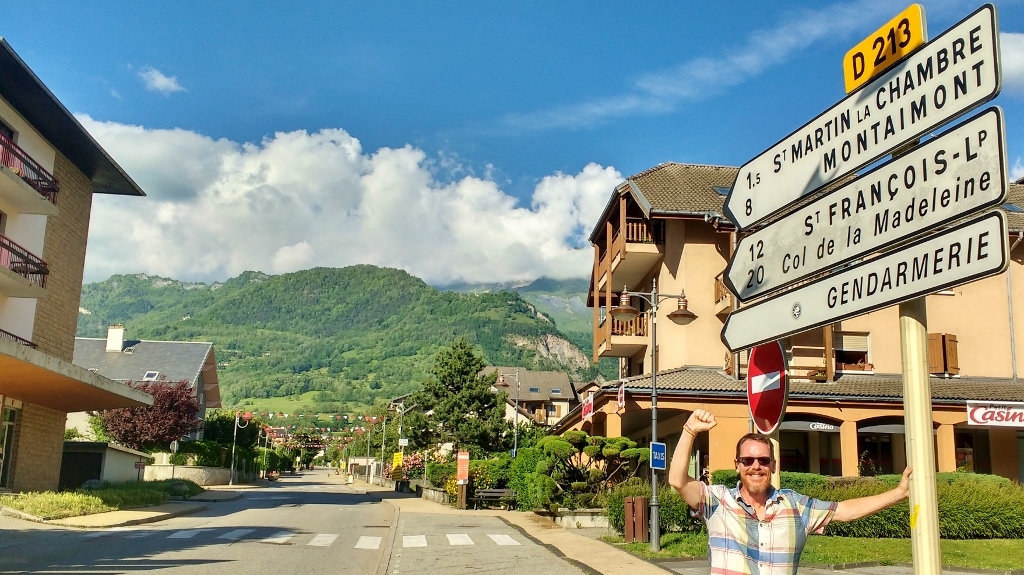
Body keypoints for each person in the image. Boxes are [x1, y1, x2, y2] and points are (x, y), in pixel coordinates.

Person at [668, 409, 912, 575]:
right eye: (748, 460)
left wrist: (899, 493)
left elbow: (845, 510)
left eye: (764, 460)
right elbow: (678, 480)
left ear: (773, 465)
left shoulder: (795, 505)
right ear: (737, 464)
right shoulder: (718, 501)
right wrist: (690, 430)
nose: (756, 466)